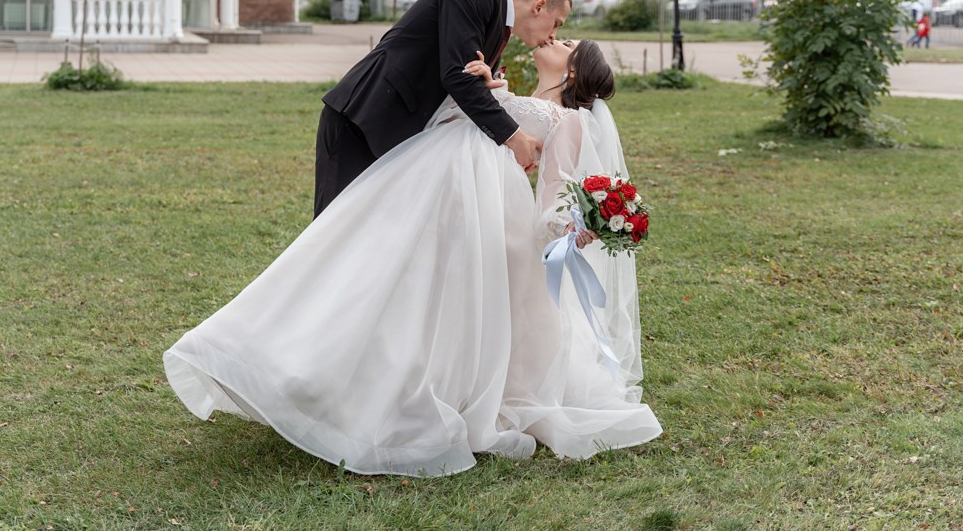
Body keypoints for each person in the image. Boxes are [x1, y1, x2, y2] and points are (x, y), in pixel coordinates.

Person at [164, 39, 662, 477]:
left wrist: (573, 226)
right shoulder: (524, 97)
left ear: (573, 70)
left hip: (499, 222)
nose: (554, 37)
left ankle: (436, 397)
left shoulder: (570, 121)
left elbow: (554, 196)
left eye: (566, 41)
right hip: (459, 204)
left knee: (456, 317)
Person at [313, 0, 571, 217]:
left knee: (364, 234)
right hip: (362, 119)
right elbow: (457, 77)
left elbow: (457, 78)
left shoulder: (495, 24)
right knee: (331, 232)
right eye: (556, 23)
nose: (553, 35)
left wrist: (487, 83)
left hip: (394, 131)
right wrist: (514, 138)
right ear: (539, 6)